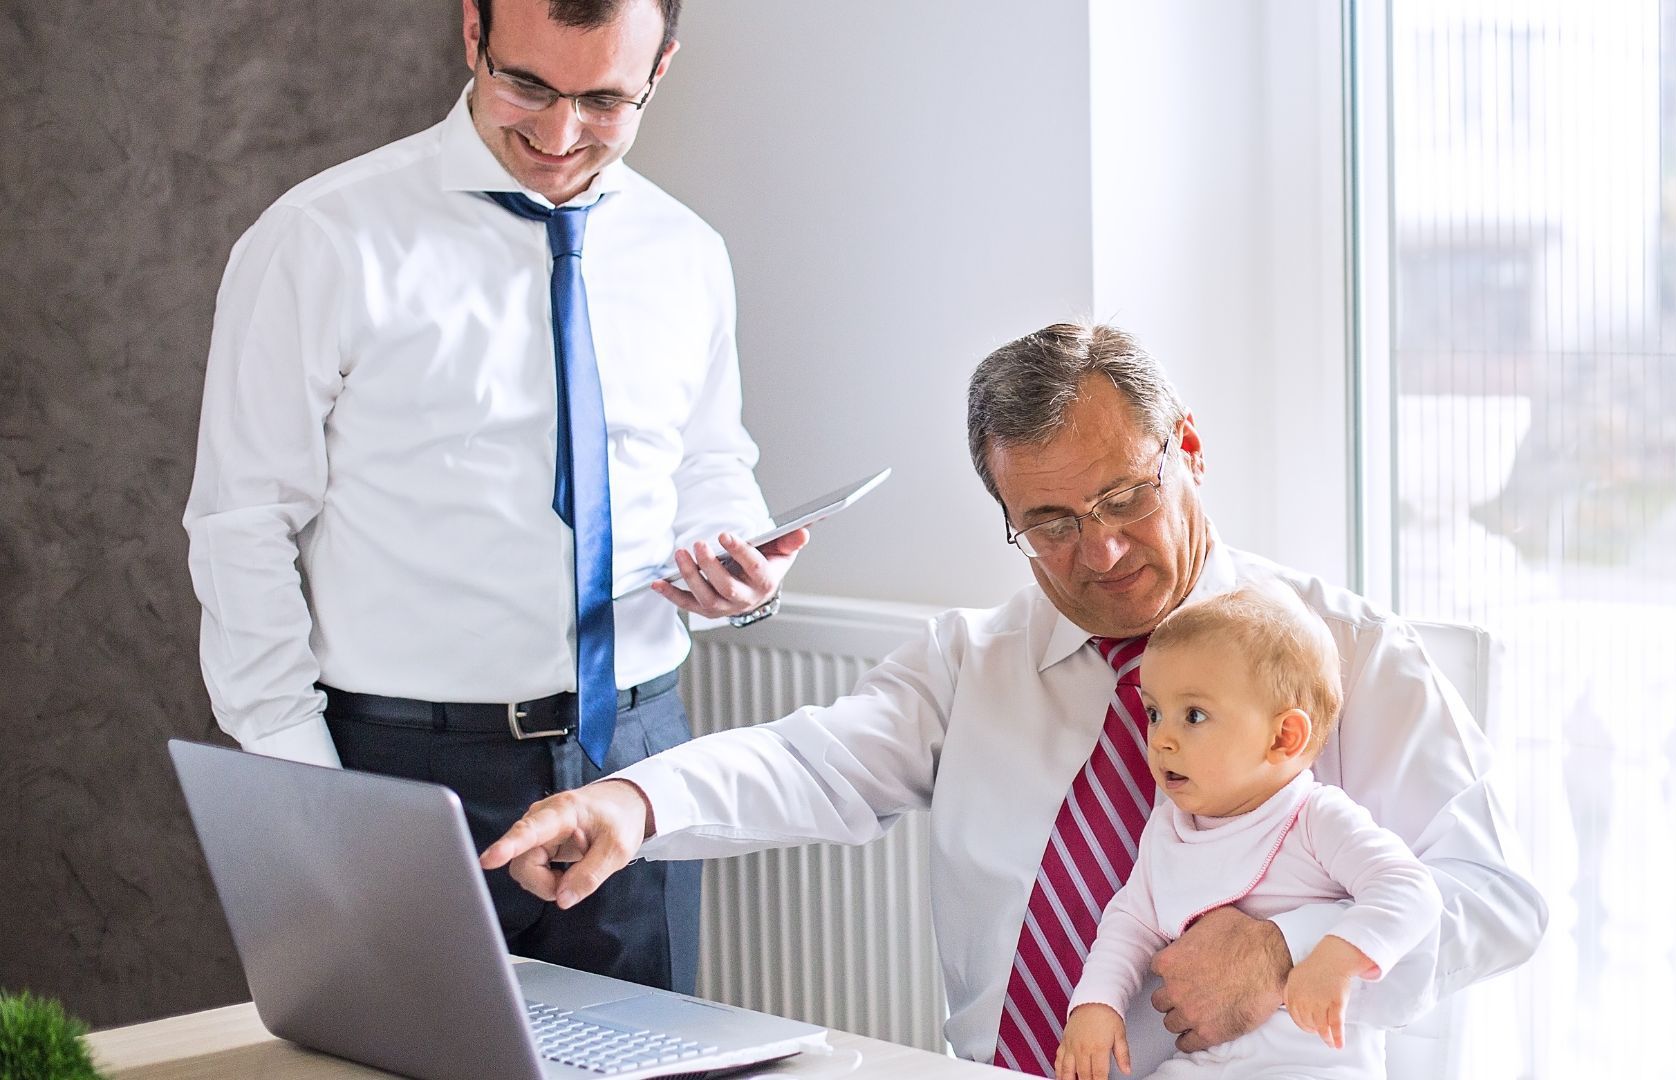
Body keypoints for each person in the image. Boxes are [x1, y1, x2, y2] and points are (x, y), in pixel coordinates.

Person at [480, 322, 1548, 1074]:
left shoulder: (1347, 651)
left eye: (1125, 496)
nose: (1104, 551)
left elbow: (1497, 898)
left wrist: (1286, 953)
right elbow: (815, 759)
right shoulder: (975, 659)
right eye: (1051, 523)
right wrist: (633, 804)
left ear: (1188, 448)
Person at [181, 0, 803, 994]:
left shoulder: (687, 251)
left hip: (637, 763)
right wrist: (308, 784)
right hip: (402, 769)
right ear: (473, 33)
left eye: (604, 100)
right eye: (527, 85)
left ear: (661, 70)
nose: (559, 134)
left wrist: (735, 560)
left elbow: (707, 462)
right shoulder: (320, 239)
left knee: (659, 1056)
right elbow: (241, 525)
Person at [1055, 585, 1441, 1080]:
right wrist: (1096, 1003)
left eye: (1194, 715)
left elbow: (1409, 887)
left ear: (1283, 737)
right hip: (1203, 1063)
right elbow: (1131, 920)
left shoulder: (1314, 816)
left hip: (1310, 1067)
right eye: (1154, 713)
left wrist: (1338, 953)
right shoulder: (1169, 828)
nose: (1162, 738)